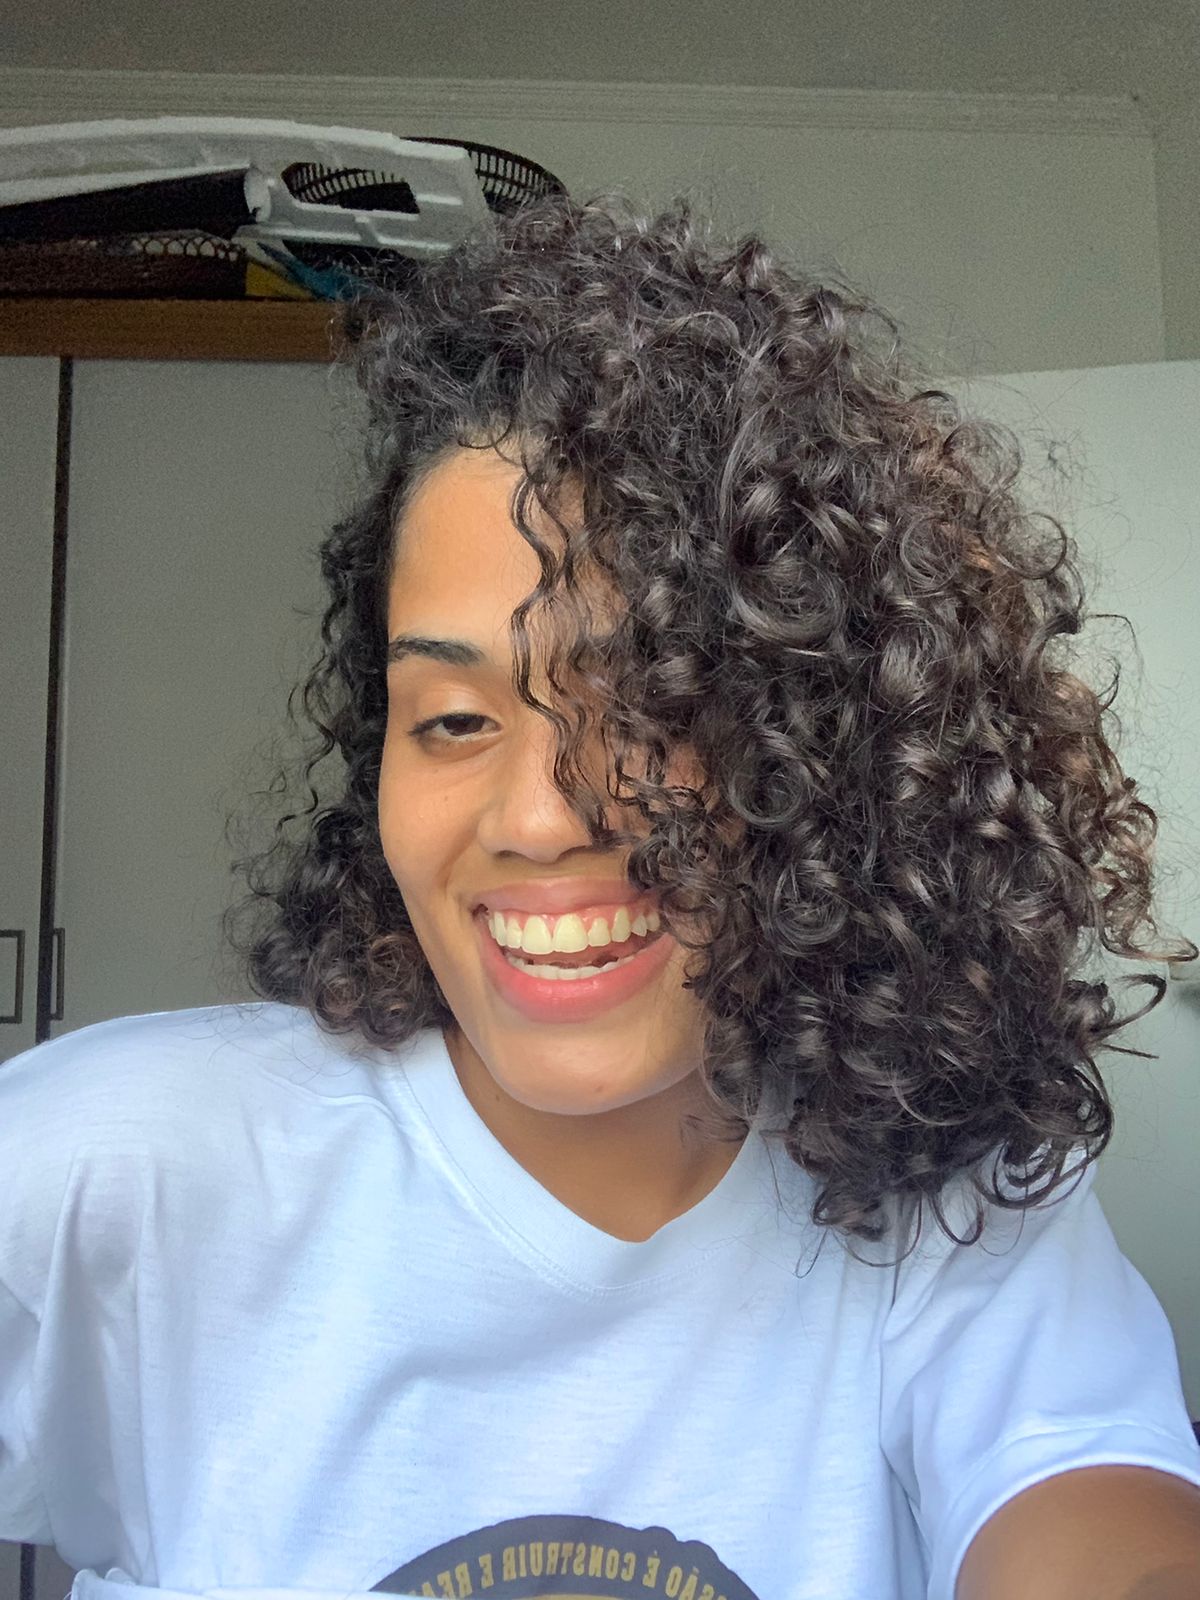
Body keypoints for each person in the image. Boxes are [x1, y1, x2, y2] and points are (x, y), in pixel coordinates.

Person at [2, 192, 1200, 1600]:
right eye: (452, 720)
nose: (537, 817)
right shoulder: (125, 1168)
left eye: (656, 708)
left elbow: (1097, 1526)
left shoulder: (948, 1197)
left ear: (834, 751)